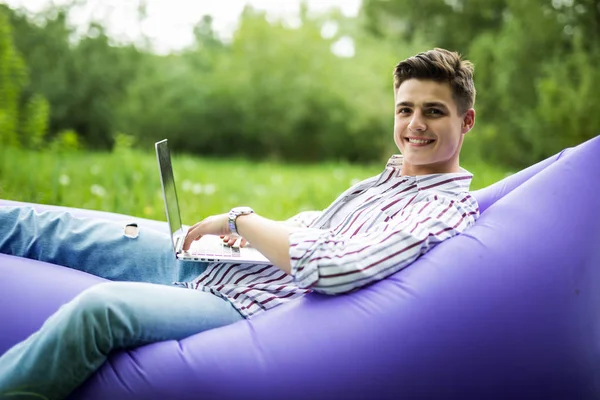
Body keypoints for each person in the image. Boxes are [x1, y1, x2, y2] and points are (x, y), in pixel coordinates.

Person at [0, 47, 479, 399]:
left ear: (467, 121)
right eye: (405, 109)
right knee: (48, 224)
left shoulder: (442, 208)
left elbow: (334, 268)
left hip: (244, 304)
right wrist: (239, 235)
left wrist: (240, 218)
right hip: (228, 263)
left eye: (433, 112)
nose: (415, 124)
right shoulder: (391, 177)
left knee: (100, 309)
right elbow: (324, 233)